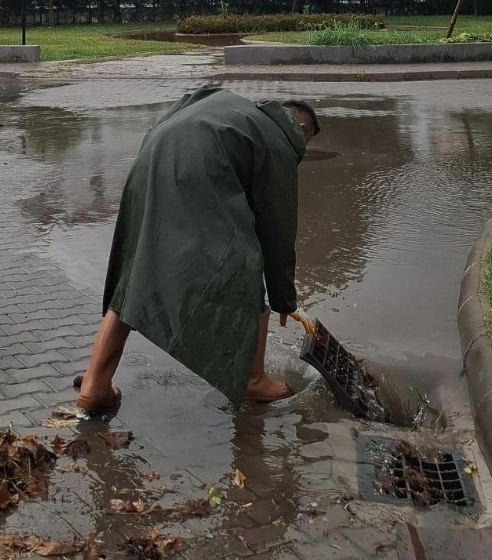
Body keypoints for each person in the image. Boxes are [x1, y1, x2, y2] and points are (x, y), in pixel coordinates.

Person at [75, 83, 320, 415]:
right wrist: (283, 298)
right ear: (301, 127)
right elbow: (277, 230)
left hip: (151, 158)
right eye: (305, 145)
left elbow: (186, 100)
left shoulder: (230, 104)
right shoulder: (279, 142)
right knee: (250, 265)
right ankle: (254, 379)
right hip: (194, 174)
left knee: (135, 278)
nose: (300, 153)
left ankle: (94, 388)